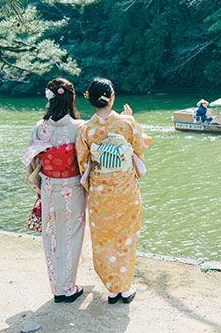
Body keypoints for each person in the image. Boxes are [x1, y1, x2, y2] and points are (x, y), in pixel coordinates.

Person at [76, 78, 151, 304]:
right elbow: (140, 146)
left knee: (103, 238)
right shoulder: (126, 124)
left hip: (100, 191)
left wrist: (93, 183)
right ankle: (125, 289)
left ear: (91, 100)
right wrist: (131, 118)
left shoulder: (86, 129)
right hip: (125, 188)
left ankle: (111, 289)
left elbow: (82, 162)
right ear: (112, 97)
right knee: (126, 236)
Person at [21, 78, 86, 303]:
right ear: (71, 99)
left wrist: (40, 184)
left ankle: (57, 288)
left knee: (51, 235)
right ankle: (69, 287)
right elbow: (87, 161)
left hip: (49, 186)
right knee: (72, 235)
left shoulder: (40, 127)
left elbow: (32, 162)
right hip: (73, 186)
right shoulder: (79, 127)